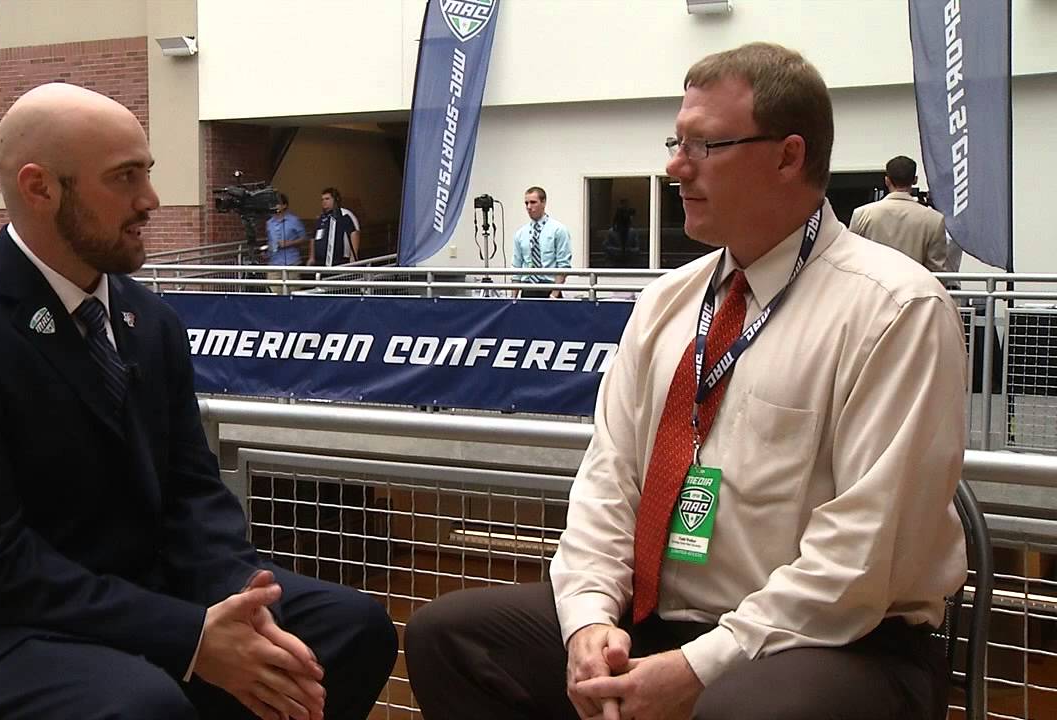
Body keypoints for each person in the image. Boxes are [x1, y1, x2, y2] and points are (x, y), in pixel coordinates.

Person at [405, 42, 966, 720]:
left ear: (789, 156)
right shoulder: (666, 303)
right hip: (662, 619)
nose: (674, 166)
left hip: (842, 642)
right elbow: (608, 480)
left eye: (705, 146)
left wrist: (699, 668)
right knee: (453, 639)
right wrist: (587, 621)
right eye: (678, 142)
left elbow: (859, 561)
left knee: (738, 708)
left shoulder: (895, 308)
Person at [0, 83, 396, 720]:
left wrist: (238, 596)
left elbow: (193, 492)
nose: (151, 200)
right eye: (124, 178)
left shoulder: (151, 322)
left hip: (139, 593)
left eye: (147, 172)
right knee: (143, 706)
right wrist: (191, 638)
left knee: (351, 630)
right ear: (40, 189)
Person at [849, 155, 948, 272]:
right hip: (913, 287)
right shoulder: (934, 220)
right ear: (915, 180)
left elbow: (852, 259)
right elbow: (936, 270)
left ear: (887, 180)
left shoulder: (861, 215)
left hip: (874, 287)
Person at [511, 186, 572, 298]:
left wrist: (554, 294)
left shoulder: (558, 230)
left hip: (549, 287)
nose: (529, 207)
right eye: (526, 203)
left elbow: (563, 265)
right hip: (528, 288)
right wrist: (513, 298)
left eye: (533, 202)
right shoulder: (520, 234)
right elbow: (516, 266)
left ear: (543, 203)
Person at [265, 192, 307, 293]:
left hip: (291, 263)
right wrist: (267, 252)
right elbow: (270, 240)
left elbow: (304, 238)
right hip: (274, 263)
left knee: (291, 294)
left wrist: (289, 243)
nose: (275, 206)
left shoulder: (294, 220)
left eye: (278, 203)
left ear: (284, 205)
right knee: (274, 293)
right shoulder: (269, 223)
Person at [309, 187, 360, 267]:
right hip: (321, 262)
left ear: (335, 199)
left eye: (327, 199)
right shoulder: (321, 218)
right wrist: (311, 257)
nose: (324, 202)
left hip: (338, 261)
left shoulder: (344, 214)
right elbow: (313, 237)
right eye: (322, 199)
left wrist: (353, 256)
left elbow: (354, 233)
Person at [603, 199, 640, 267]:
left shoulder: (633, 232)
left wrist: (628, 251)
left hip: (629, 264)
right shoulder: (611, 232)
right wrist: (619, 251)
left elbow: (637, 249)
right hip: (613, 263)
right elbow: (606, 247)